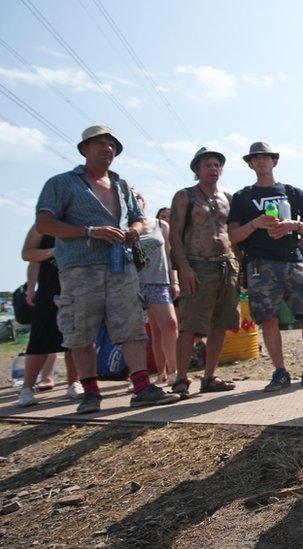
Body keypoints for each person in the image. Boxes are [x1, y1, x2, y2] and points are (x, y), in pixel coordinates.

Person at [34, 125, 180, 413]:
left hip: (121, 267)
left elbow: (138, 218)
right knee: (80, 330)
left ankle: (141, 386)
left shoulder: (121, 185)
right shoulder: (61, 183)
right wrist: (90, 231)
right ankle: (90, 393)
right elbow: (44, 224)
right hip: (80, 268)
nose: (107, 149)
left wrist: (134, 231)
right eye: (100, 144)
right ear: (84, 149)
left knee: (132, 326)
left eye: (112, 145)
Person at [229, 142, 303, 391]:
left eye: (266, 158)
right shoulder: (242, 197)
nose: (262, 162)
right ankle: (280, 372)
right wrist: (255, 223)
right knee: (269, 317)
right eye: (256, 159)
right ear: (250, 164)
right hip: (260, 263)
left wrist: (292, 226)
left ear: (274, 162)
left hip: (293, 258)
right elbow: (233, 236)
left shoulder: (292, 191)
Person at [169, 148, 240, 397]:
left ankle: (210, 376)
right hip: (198, 266)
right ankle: (180, 378)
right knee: (189, 325)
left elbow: (233, 234)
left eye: (217, 164)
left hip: (226, 265)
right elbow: (174, 236)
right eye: (207, 165)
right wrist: (184, 268)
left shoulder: (227, 197)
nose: (213, 168)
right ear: (197, 169)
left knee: (221, 323)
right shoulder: (185, 196)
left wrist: (238, 269)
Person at [18, 224, 82, 406]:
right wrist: (31, 287)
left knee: (77, 338)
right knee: (40, 339)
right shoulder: (42, 226)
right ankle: (27, 388)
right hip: (48, 289)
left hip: (77, 287)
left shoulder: (79, 220)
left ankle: (74, 383)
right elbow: (28, 255)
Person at [133, 191, 179, 385]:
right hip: (132, 285)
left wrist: (174, 280)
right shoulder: (120, 225)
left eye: (139, 197)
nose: (136, 201)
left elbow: (170, 257)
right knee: (142, 332)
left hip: (159, 282)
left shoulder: (161, 225)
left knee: (169, 324)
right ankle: (141, 374)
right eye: (131, 198)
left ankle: (174, 372)